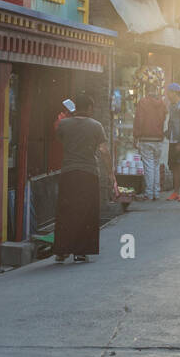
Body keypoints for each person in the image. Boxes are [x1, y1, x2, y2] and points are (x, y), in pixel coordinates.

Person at [52, 93, 112, 263]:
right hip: (89, 173)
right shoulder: (96, 126)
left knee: (66, 211)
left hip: (68, 172)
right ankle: (81, 251)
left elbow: (60, 138)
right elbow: (104, 151)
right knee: (86, 212)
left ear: (75, 107)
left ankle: (62, 251)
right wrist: (110, 173)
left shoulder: (64, 124)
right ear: (90, 108)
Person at [133, 83, 167, 202]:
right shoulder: (162, 103)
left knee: (149, 166)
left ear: (146, 90)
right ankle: (156, 193)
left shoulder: (143, 102)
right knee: (156, 165)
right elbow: (164, 119)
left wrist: (136, 136)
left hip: (146, 138)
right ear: (156, 91)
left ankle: (148, 193)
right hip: (158, 138)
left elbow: (139, 120)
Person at [165, 83, 180, 201]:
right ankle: (175, 192)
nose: (168, 95)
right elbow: (171, 122)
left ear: (175, 92)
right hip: (173, 139)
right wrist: (167, 133)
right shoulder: (171, 106)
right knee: (175, 167)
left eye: (169, 92)